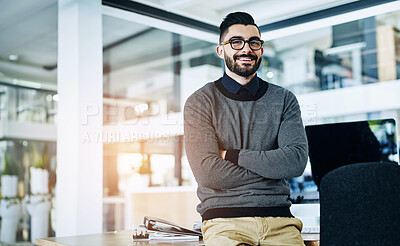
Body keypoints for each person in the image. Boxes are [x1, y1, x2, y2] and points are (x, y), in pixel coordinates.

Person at [184, 12, 308, 246]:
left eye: (254, 42)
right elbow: (208, 173)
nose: (246, 49)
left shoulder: (284, 99)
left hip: (280, 222)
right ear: (221, 50)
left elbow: (295, 162)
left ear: (261, 49)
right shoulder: (200, 102)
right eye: (236, 42)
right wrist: (272, 171)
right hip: (224, 222)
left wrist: (232, 155)